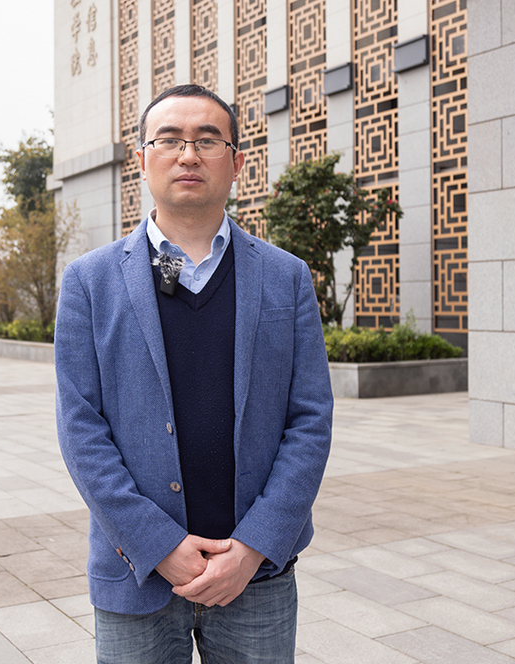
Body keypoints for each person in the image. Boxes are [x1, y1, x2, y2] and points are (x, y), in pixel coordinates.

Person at [54, 83, 334, 663]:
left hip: (255, 575)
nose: (188, 155)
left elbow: (310, 419)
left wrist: (255, 546)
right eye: (169, 140)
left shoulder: (286, 277)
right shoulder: (90, 282)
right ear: (142, 160)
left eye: (208, 140)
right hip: (137, 572)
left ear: (237, 162)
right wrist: (158, 545)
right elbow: (81, 430)